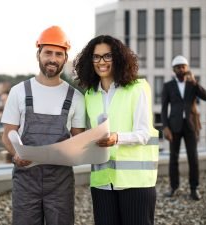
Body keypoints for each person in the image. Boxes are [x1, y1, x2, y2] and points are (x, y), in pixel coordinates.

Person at [1, 25, 86, 225]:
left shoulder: (76, 98)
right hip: (25, 180)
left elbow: (78, 140)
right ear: (38, 54)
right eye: (48, 52)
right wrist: (15, 154)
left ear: (65, 59)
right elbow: (7, 135)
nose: (53, 59)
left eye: (59, 54)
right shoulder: (18, 92)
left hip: (60, 182)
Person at [74, 35, 159, 225]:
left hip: (135, 183)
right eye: (96, 57)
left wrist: (116, 138)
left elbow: (144, 133)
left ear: (118, 58)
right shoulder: (89, 95)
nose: (101, 62)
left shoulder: (138, 88)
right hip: (102, 183)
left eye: (107, 56)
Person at [161, 55, 206, 201]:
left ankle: (194, 189)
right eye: (178, 67)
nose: (181, 69)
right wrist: (165, 127)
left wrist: (195, 83)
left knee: (193, 158)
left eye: (184, 66)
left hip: (190, 126)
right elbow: (163, 109)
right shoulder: (168, 86)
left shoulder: (192, 84)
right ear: (174, 70)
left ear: (187, 68)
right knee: (173, 158)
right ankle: (173, 187)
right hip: (174, 126)